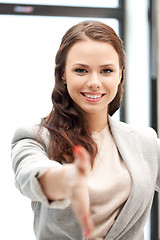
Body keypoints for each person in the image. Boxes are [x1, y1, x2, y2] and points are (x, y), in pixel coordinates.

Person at [11, 20, 160, 240]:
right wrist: (64, 180)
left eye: (106, 71)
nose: (94, 82)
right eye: (81, 70)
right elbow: (29, 174)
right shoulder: (35, 137)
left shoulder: (144, 141)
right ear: (63, 74)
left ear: (120, 74)